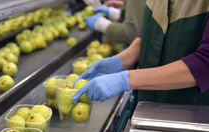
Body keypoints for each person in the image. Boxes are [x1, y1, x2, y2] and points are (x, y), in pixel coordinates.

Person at [72, 0, 209, 105]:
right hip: (147, 103)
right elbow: (151, 31)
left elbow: (205, 64)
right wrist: (123, 59)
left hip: (189, 112)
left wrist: (125, 80)